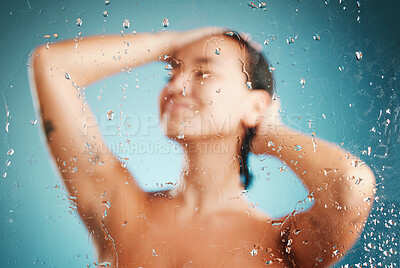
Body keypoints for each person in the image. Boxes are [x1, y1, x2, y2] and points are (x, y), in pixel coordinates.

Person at [29, 27, 376, 267]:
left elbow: (351, 186)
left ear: (255, 105)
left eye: (203, 73)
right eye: (172, 72)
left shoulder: (282, 245)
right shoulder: (122, 212)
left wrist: (266, 131)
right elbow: (53, 65)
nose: (177, 84)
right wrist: (175, 41)